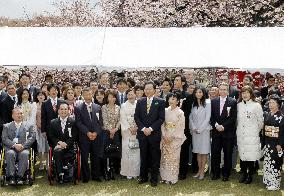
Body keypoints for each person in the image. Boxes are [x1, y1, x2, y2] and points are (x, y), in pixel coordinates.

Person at [134, 81, 165, 187]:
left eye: (149, 89)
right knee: (143, 156)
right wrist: (143, 128)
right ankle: (143, 177)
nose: (147, 91)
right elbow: (136, 117)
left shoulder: (160, 101)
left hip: (154, 134)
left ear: (154, 90)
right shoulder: (140, 101)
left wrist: (151, 129)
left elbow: (161, 118)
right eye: (146, 89)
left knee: (154, 157)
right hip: (143, 134)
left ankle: (154, 178)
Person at [74, 87, 103, 183]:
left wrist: (95, 133)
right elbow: (78, 123)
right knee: (85, 157)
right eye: (86, 94)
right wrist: (88, 132)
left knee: (96, 156)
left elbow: (100, 122)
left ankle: (96, 175)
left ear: (92, 95)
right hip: (84, 136)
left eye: (90, 94)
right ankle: (85, 176)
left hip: (96, 136)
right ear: (83, 96)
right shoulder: (78, 108)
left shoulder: (98, 107)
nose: (88, 96)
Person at [1, 107, 36, 185]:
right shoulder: (6, 126)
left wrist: (23, 146)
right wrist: (14, 145)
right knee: (10, 153)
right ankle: (11, 177)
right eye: (17, 114)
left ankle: (21, 176)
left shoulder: (29, 125)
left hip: (24, 148)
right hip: (11, 148)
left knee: (24, 154)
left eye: (21, 113)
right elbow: (4, 139)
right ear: (13, 116)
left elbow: (32, 137)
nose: (20, 115)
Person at [210, 82, 237, 181]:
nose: (222, 91)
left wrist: (224, 126)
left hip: (228, 133)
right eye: (221, 89)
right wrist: (216, 125)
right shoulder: (214, 101)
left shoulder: (233, 102)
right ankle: (216, 173)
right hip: (216, 132)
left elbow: (233, 118)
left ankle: (226, 174)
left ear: (228, 91)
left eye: (224, 89)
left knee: (227, 154)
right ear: (218, 90)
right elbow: (211, 116)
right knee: (215, 153)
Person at [236, 86, 263, 184]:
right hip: (241, 134)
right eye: (243, 93)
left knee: (250, 155)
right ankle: (244, 173)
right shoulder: (239, 105)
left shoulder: (256, 105)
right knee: (242, 154)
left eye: (247, 92)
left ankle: (250, 174)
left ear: (251, 94)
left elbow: (260, 121)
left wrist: (255, 131)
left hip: (252, 134)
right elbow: (237, 120)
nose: (245, 94)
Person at [160, 92, 185, 185]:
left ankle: (173, 178)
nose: (171, 100)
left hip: (175, 138)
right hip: (165, 137)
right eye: (170, 98)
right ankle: (164, 177)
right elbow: (162, 124)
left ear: (178, 101)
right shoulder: (165, 110)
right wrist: (164, 134)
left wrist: (172, 136)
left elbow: (180, 126)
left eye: (174, 99)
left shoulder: (180, 113)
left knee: (174, 158)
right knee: (165, 158)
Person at [49, 102, 77, 184]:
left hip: (70, 147)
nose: (63, 111)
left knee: (64, 152)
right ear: (58, 111)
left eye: (65, 109)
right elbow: (51, 136)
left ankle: (68, 172)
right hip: (58, 147)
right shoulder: (53, 122)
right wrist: (59, 143)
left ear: (69, 110)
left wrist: (66, 144)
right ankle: (60, 174)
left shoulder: (73, 122)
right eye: (61, 109)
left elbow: (74, 136)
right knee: (58, 151)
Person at [189, 86, 211, 180]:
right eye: (197, 92)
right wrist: (193, 127)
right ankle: (199, 170)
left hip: (204, 131)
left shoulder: (208, 103)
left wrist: (200, 129)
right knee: (198, 152)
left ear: (203, 93)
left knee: (204, 152)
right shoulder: (193, 104)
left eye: (200, 92)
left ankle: (202, 171)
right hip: (195, 132)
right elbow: (190, 117)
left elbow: (207, 118)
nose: (199, 94)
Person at [263, 94, 284, 191]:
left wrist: (280, 144)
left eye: (273, 103)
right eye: (270, 102)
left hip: (276, 143)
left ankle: (275, 183)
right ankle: (268, 180)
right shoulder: (268, 114)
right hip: (268, 141)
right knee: (268, 161)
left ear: (278, 104)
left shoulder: (281, 117)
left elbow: (282, 132)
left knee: (276, 162)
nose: (271, 105)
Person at [120, 88, 140, 179]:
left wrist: (136, 127)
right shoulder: (123, 105)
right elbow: (123, 119)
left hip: (136, 131)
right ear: (126, 96)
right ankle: (128, 172)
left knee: (135, 151)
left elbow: (140, 117)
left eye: (132, 94)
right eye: (128, 94)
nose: (130, 96)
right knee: (127, 151)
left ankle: (135, 172)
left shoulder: (139, 104)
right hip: (127, 132)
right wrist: (130, 128)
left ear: (135, 94)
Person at [101, 89, 121, 180]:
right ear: (107, 98)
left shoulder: (118, 107)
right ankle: (106, 171)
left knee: (114, 151)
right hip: (106, 133)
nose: (112, 98)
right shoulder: (104, 107)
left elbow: (120, 120)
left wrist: (115, 129)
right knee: (106, 151)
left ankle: (112, 171)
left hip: (116, 133)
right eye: (110, 96)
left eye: (113, 97)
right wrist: (110, 130)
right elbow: (104, 121)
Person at [35, 90, 49, 170]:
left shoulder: (47, 104)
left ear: (45, 96)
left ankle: (47, 163)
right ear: (37, 97)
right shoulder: (34, 105)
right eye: (39, 95)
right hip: (37, 129)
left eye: (42, 95)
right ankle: (41, 163)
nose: (41, 96)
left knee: (46, 146)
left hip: (46, 129)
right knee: (39, 146)